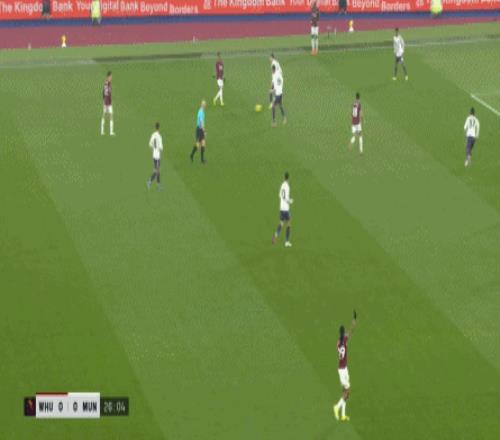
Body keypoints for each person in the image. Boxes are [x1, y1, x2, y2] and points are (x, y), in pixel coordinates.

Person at [333, 310, 357, 422]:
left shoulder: (338, 342)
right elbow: (351, 331)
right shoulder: (345, 340)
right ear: (344, 334)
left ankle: (343, 415)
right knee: (347, 392)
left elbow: (338, 347)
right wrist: (354, 321)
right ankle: (337, 407)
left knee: (345, 392)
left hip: (343, 368)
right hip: (343, 370)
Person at [272, 172, 293, 247]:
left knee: (281, 223)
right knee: (289, 223)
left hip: (281, 208)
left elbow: (279, 195)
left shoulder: (282, 185)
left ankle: (275, 235)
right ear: (288, 178)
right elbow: (286, 198)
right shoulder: (287, 186)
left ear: (284, 177)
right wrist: (290, 201)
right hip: (286, 209)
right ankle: (286, 242)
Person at [147, 122, 163, 190]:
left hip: (154, 155)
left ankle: (158, 185)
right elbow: (161, 147)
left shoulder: (153, 135)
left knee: (157, 171)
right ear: (159, 128)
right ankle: (149, 181)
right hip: (157, 156)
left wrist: (154, 148)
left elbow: (150, 144)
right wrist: (159, 149)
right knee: (157, 171)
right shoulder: (159, 136)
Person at [101, 71, 115, 136]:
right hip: (108, 102)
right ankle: (110, 132)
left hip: (106, 101)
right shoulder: (107, 84)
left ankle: (103, 131)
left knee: (106, 115)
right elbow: (107, 93)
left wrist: (103, 101)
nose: (111, 78)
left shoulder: (106, 83)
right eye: (111, 76)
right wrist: (107, 103)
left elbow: (103, 92)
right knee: (108, 115)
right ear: (108, 76)